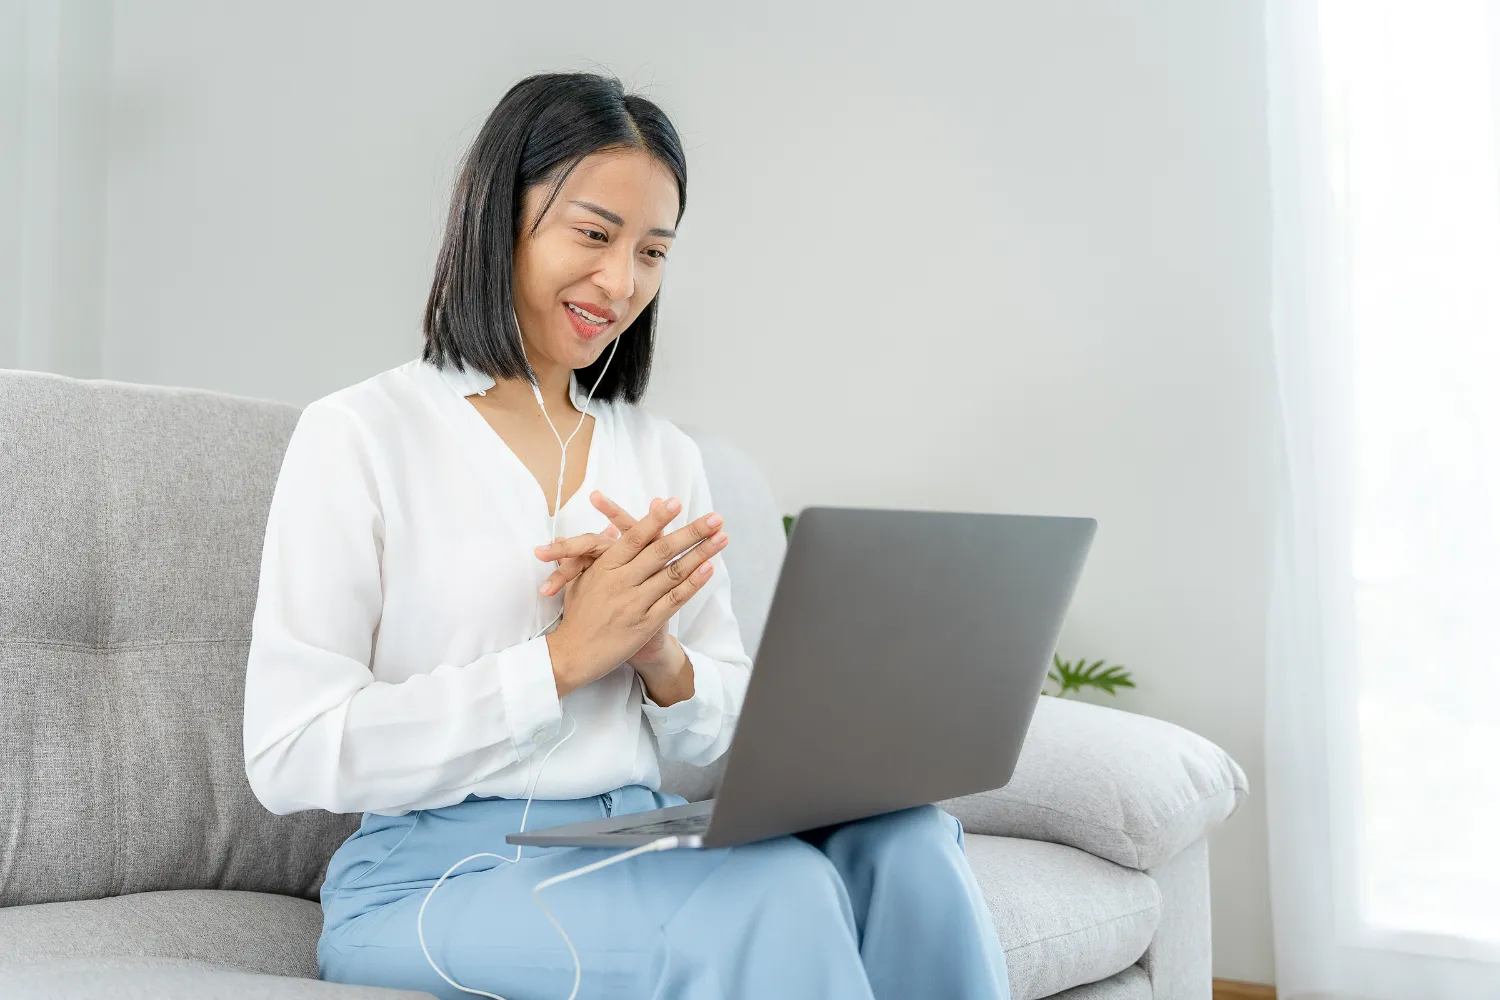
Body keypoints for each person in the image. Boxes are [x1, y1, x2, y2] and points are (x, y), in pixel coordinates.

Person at [242, 70, 1011, 1000]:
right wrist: (564, 658)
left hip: (633, 841)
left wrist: (660, 660)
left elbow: (711, 742)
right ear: (499, 214)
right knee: (776, 894)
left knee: (909, 841)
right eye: (594, 235)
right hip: (440, 877)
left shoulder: (662, 454)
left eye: (652, 251)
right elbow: (289, 752)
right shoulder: (362, 433)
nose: (621, 282)